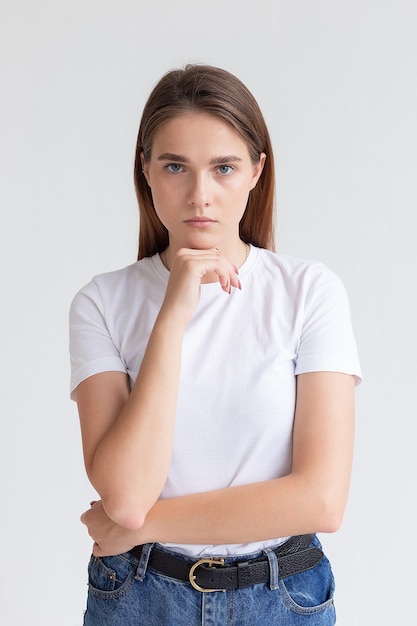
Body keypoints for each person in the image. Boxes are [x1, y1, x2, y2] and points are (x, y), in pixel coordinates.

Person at [69, 64, 362, 626]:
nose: (199, 195)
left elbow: (321, 500)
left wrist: (149, 524)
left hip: (283, 598)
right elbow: (126, 497)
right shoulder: (102, 303)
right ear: (146, 170)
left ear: (256, 171)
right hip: (138, 596)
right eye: (175, 166)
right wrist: (175, 310)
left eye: (223, 167)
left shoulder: (309, 292)